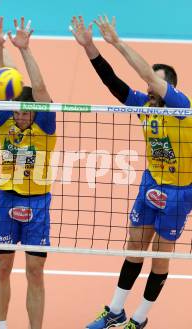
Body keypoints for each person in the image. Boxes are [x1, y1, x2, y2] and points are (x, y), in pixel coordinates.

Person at [71, 15, 192, 329]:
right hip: (150, 183)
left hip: (180, 191)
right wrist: (90, 48)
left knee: (160, 257)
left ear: (168, 88)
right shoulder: (145, 107)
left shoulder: (182, 109)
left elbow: (147, 77)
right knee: (134, 246)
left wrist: (117, 42)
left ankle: (138, 319)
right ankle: (115, 310)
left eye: (154, 83)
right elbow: (114, 84)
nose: (147, 88)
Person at [0, 16, 56, 329]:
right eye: (17, 110)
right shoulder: (6, 121)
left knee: (34, 271)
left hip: (38, 203)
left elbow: (39, 88)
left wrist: (25, 50)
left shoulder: (44, 125)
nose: (21, 115)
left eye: (25, 111)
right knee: (2, 265)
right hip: (5, 198)